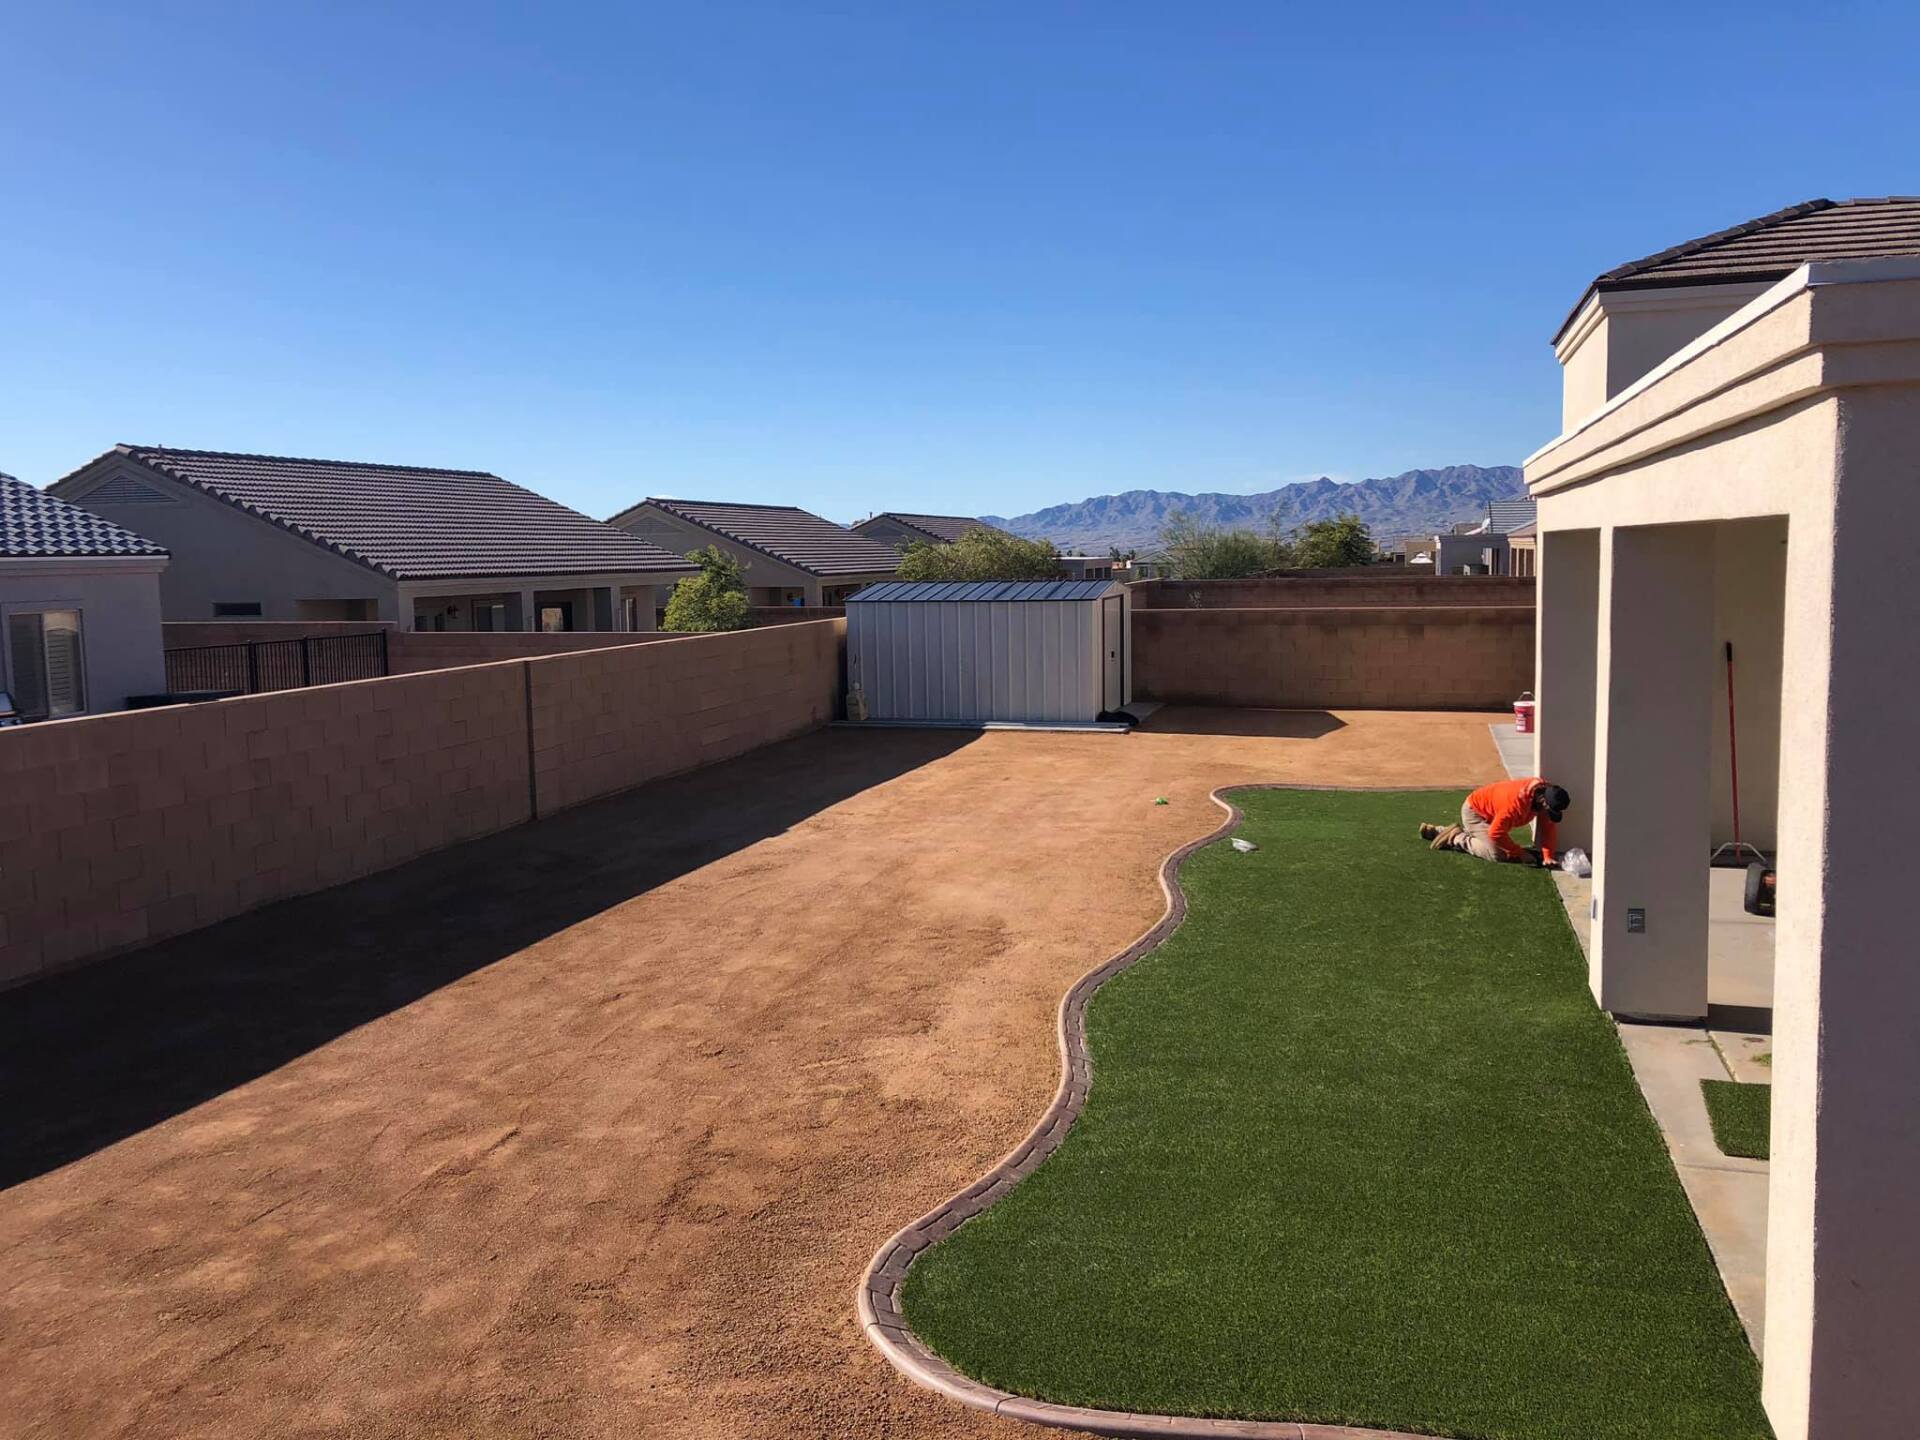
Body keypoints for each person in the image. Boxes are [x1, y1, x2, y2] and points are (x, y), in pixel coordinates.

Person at [1420, 778, 1569, 866]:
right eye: (1548, 810)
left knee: (1504, 848)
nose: (1547, 814)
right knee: (1497, 854)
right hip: (1475, 813)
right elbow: (1496, 833)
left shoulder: (1545, 795)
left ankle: (1459, 833)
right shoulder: (1515, 804)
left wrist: (1548, 856)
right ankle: (1457, 837)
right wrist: (1519, 852)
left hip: (1493, 815)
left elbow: (1549, 827)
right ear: (1543, 801)